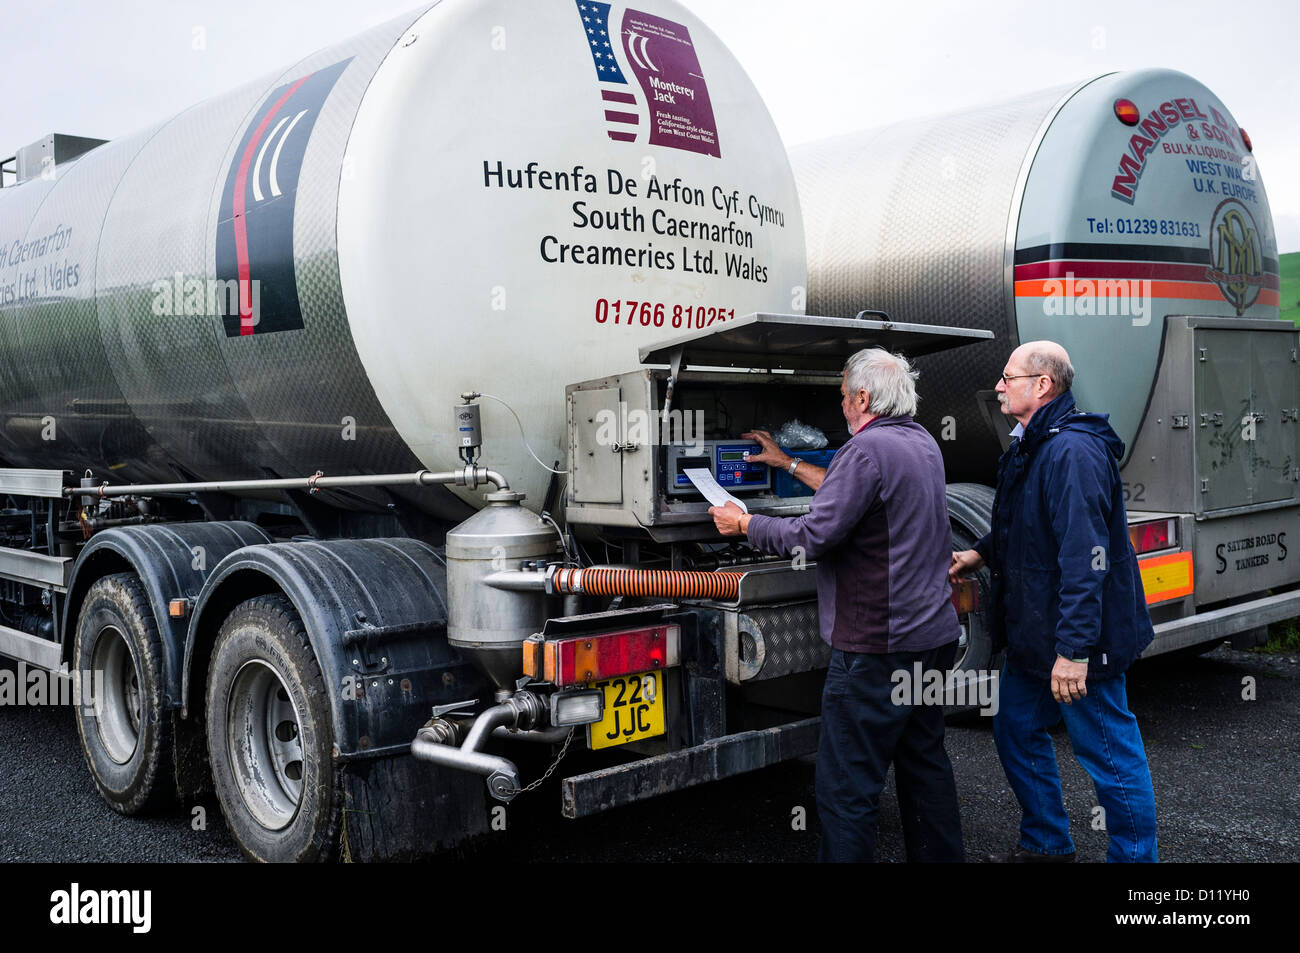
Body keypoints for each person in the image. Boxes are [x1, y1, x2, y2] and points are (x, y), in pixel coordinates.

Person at [710, 347, 963, 863]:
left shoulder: (864, 452)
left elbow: (816, 534)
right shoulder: (920, 444)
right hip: (932, 638)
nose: (842, 404)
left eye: (844, 395)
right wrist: (788, 463)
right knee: (924, 766)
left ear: (863, 398)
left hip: (877, 647)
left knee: (847, 787)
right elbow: (856, 499)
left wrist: (746, 525)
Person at [950, 341, 1158, 863]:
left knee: (1107, 753)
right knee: (1015, 726)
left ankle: (1136, 863)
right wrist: (979, 553)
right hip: (1036, 639)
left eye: (1008, 377)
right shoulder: (1036, 443)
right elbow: (1024, 523)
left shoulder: (1072, 452)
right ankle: (1047, 843)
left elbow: (1084, 560)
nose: (999, 386)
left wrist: (1074, 651)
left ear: (1042, 385)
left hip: (1079, 641)